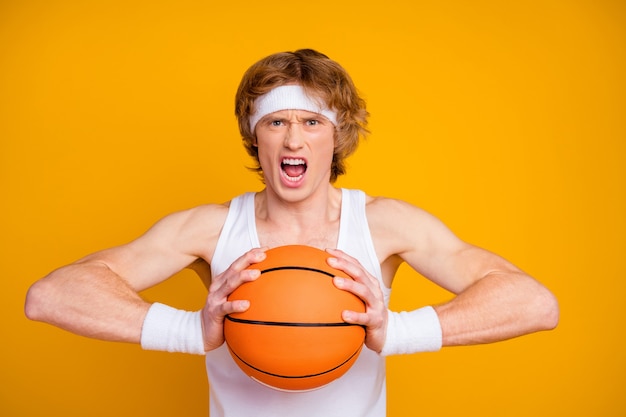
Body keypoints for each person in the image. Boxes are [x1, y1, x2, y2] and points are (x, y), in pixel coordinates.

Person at [25, 49, 559, 417]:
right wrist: (192, 330)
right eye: (276, 123)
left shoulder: (383, 224)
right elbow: (51, 296)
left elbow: (534, 304)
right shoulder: (211, 230)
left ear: (338, 135)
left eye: (312, 122)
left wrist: (398, 331)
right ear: (254, 137)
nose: (293, 140)